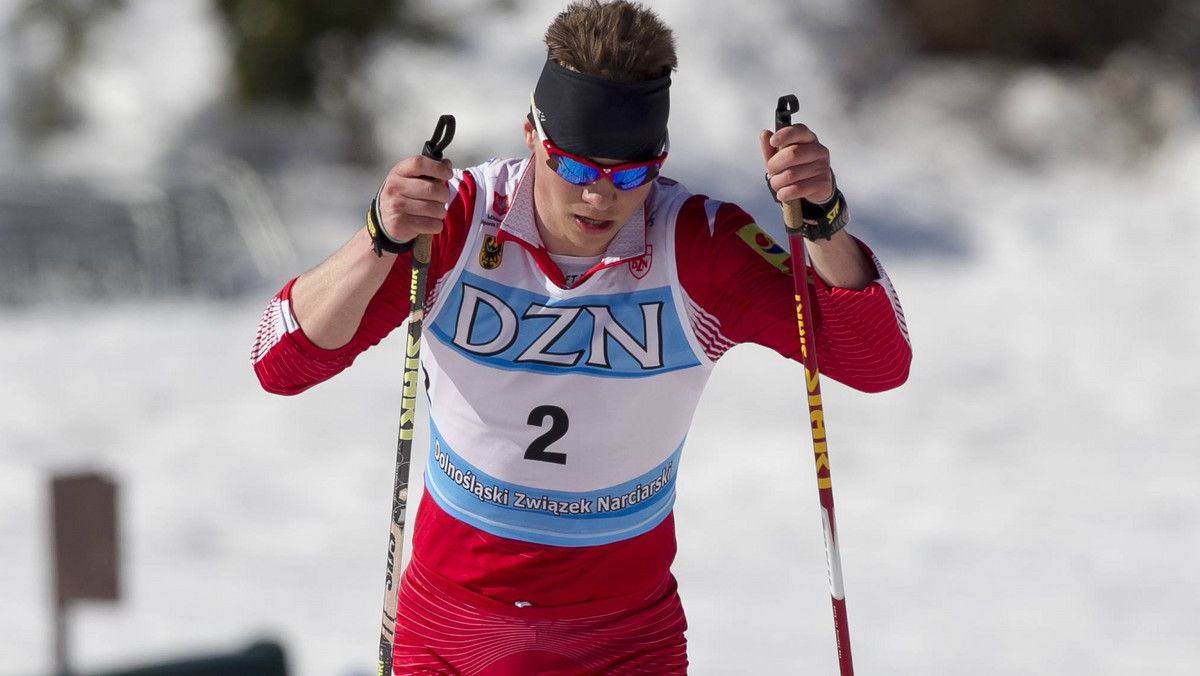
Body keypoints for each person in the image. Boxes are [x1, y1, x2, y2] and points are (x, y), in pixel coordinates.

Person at [251, 1, 911, 673]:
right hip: (454, 628)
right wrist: (380, 240)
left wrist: (823, 223)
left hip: (621, 636)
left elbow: (875, 361)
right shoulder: (457, 222)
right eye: (575, 167)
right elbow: (281, 363)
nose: (601, 197)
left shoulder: (698, 246)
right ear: (533, 135)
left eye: (630, 174)